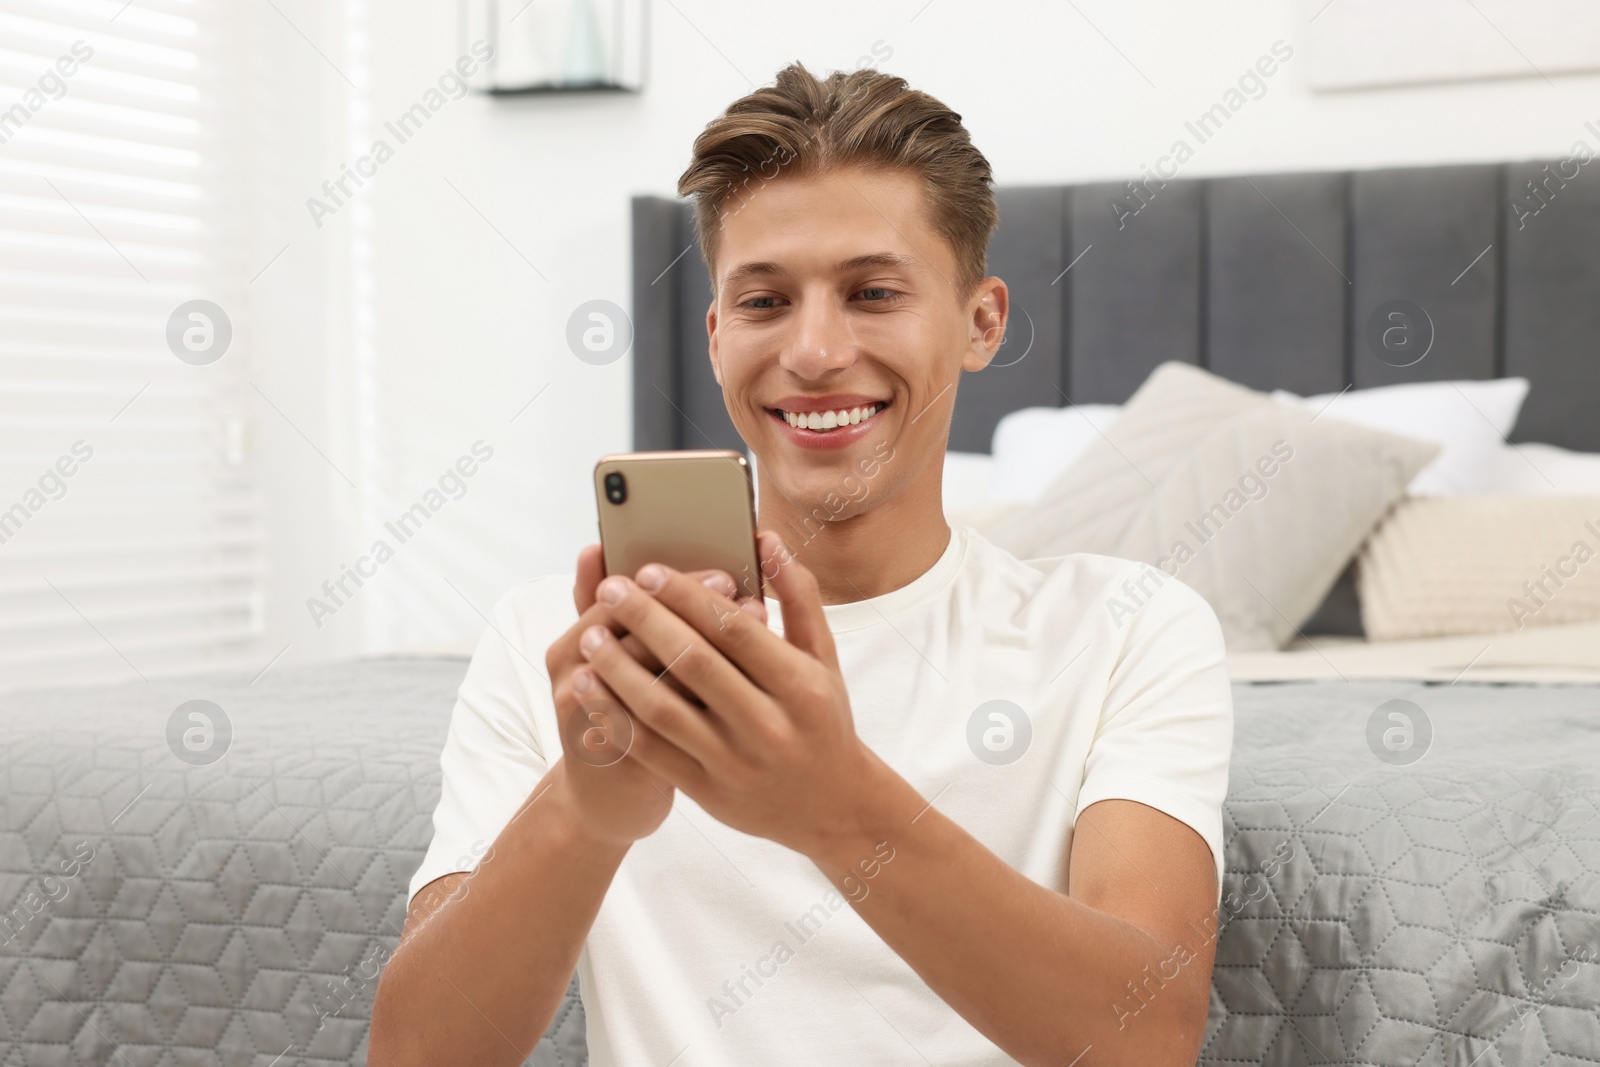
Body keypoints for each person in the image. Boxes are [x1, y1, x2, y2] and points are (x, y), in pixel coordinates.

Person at [370, 62, 1232, 1067]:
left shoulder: (1127, 628)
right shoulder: (555, 646)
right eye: (765, 301)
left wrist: (834, 805)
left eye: (872, 293)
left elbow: (1152, 1036)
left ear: (980, 322)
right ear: (716, 336)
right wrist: (584, 809)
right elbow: (418, 1053)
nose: (815, 350)